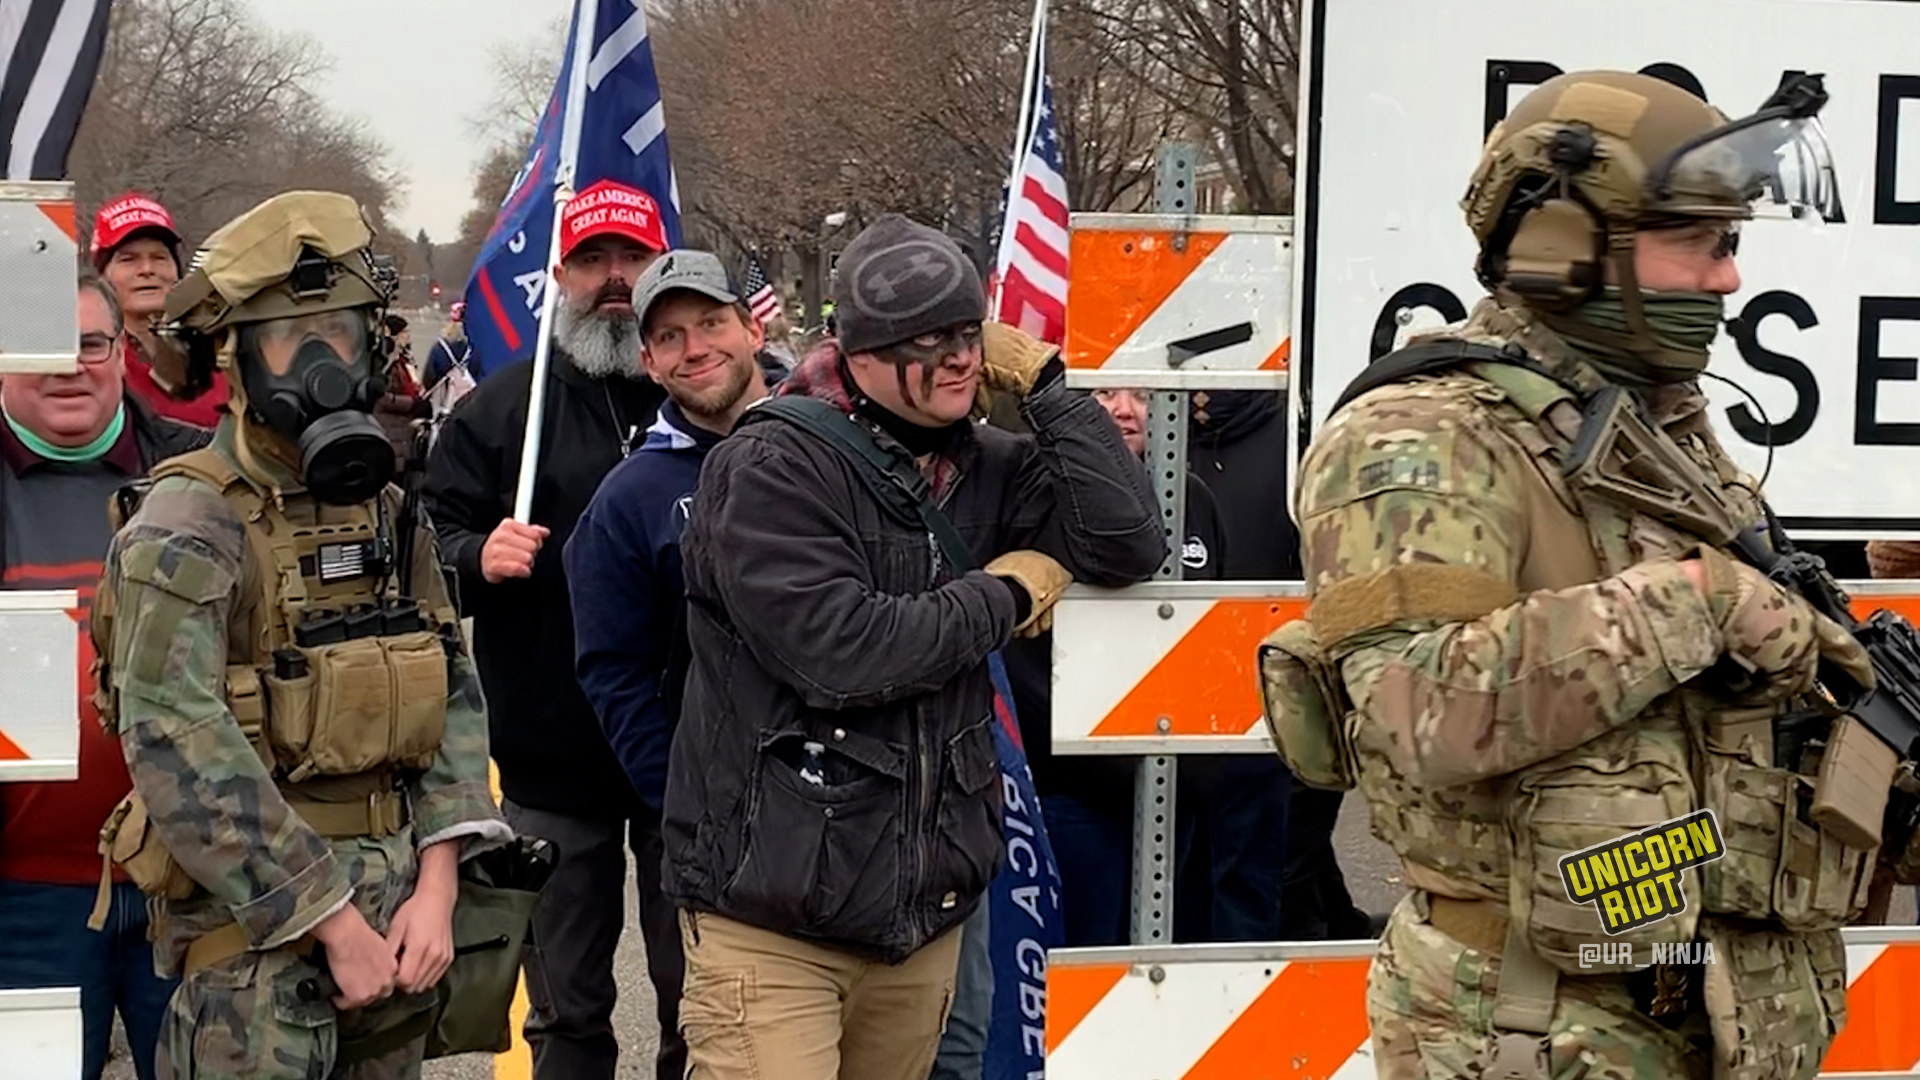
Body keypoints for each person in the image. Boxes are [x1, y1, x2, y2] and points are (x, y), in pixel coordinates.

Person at [1286, 71, 1867, 1078]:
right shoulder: (1422, 435)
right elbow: (1416, 709)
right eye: (1700, 242)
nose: (1730, 278)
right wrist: (1700, 602)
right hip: (1531, 1026)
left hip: (1718, 1015)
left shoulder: (1658, 434)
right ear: (1564, 244)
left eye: (1732, 242)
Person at [662, 214, 1166, 1080]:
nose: (961, 358)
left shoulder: (983, 460)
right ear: (859, 355)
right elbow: (842, 652)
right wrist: (1007, 594)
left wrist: (1049, 387)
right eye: (927, 341)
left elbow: (1128, 543)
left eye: (968, 332)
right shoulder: (771, 466)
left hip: (918, 917)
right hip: (773, 919)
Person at [91, 190, 510, 1079]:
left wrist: (438, 887)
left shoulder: (387, 511)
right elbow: (174, 737)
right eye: (289, 341)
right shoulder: (187, 523)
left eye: (339, 335)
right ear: (238, 361)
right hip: (255, 955)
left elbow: (452, 691)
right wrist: (333, 922)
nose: (322, 365)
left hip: (399, 933)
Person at [422, 178, 669, 1080]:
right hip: (550, 759)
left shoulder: (703, 401)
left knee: (706, 1003)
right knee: (566, 1012)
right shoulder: (502, 411)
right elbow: (423, 542)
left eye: (632, 257)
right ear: (558, 276)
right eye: (593, 259)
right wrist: (473, 554)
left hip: (689, 753)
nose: (614, 278)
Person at [564, 250, 771, 1080]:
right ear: (649, 362)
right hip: (707, 830)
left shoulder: (836, 452)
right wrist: (680, 800)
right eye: (672, 337)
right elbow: (612, 672)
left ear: (751, 329)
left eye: (711, 323)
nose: (697, 348)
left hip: (850, 811)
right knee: (704, 1036)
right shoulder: (629, 498)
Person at [0, 276, 207, 1080]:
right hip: (28, 903)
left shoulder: (202, 475)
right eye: (41, 348)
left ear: (122, 352)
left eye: (89, 343)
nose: (69, 366)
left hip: (191, 889)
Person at [90, 193, 229, 428]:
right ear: (103, 276)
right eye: (128, 259)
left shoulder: (219, 346)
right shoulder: (89, 355)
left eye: (159, 257)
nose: (147, 269)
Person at [373, 314, 431, 477]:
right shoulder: (386, 362)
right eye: (404, 332)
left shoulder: (404, 360)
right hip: (389, 427)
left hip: (403, 427)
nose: (407, 336)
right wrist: (412, 404)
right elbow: (382, 397)